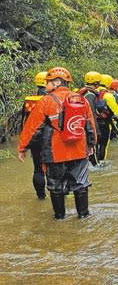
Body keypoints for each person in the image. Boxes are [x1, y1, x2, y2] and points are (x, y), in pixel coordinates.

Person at [17, 67, 97, 219]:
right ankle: (83, 217)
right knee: (81, 185)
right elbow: (90, 125)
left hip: (55, 153)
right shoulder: (82, 99)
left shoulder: (46, 101)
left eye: (48, 82)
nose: (46, 85)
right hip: (79, 151)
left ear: (57, 82)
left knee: (56, 187)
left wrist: (22, 147)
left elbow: (32, 128)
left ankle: (60, 218)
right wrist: (91, 145)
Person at [19, 71, 48, 199]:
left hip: (34, 139)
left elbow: (23, 122)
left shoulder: (28, 100)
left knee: (38, 169)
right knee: (56, 167)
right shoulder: (52, 99)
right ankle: (60, 194)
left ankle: (41, 196)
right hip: (50, 137)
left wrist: (23, 144)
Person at [95, 73, 118, 164]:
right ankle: (102, 162)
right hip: (104, 123)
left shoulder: (91, 92)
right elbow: (116, 113)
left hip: (93, 123)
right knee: (104, 144)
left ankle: (94, 162)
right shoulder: (108, 95)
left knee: (95, 145)